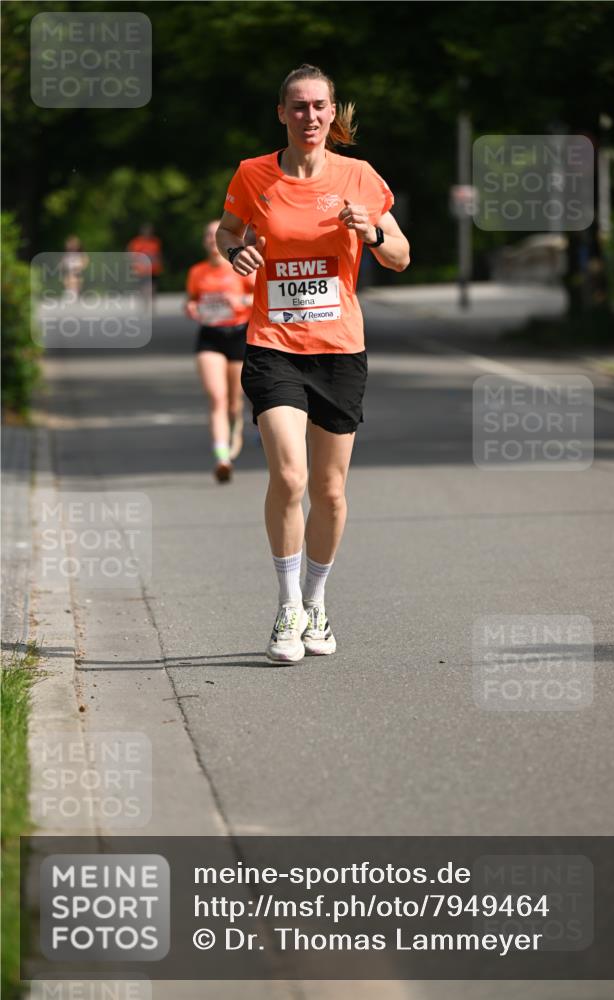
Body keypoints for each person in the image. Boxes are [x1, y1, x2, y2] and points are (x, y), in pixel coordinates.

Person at [216, 63, 409, 663]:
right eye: (298, 107)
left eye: (319, 106)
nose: (310, 116)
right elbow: (226, 233)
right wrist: (239, 251)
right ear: (282, 114)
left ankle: (318, 603)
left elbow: (401, 255)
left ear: (333, 113)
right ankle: (287, 606)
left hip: (340, 350)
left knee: (328, 491)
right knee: (291, 478)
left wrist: (373, 234)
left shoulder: (359, 176)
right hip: (274, 344)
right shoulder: (254, 175)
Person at [185, 221, 256, 481]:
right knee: (217, 397)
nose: (212, 241)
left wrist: (241, 301)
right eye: (207, 235)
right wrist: (191, 308)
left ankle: (236, 427)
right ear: (206, 242)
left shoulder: (243, 268)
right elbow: (192, 300)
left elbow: (263, 296)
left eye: (216, 235)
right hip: (210, 336)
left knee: (234, 403)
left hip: (238, 334)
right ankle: (222, 457)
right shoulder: (197, 272)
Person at [127, 223, 163, 306]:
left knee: (152, 286)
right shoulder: (136, 242)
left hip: (153, 269)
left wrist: (160, 264)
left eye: (150, 231)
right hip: (140, 270)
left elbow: (159, 255)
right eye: (146, 231)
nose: (148, 233)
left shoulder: (155, 242)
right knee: (142, 287)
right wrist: (132, 265)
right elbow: (130, 254)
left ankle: (151, 303)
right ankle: (144, 303)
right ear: (142, 232)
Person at [59, 235, 89, 301]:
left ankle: (74, 293)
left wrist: (81, 266)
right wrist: (62, 265)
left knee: (73, 279)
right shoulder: (67, 253)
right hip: (69, 269)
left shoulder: (80, 253)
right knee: (67, 280)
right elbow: (63, 260)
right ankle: (70, 292)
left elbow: (85, 260)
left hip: (77, 268)